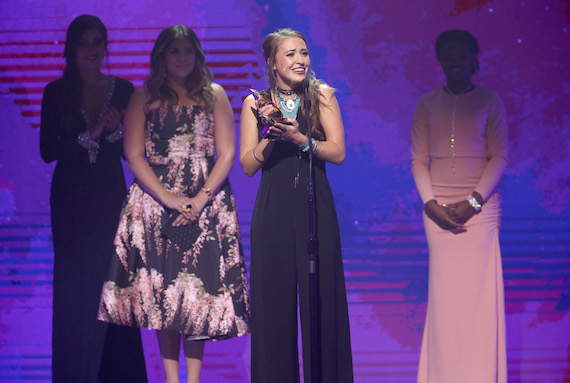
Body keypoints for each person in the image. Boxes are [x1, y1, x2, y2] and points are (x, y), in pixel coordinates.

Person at [97, 25, 250, 383]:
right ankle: (171, 379)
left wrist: (198, 200)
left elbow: (226, 153)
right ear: (162, 57)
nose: (182, 58)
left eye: (188, 51)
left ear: (197, 55)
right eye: (174, 51)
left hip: (207, 201)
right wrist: (169, 199)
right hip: (154, 204)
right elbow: (133, 154)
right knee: (163, 293)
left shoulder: (215, 95)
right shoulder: (144, 96)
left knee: (197, 295)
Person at [240, 28, 354, 383]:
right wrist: (271, 138)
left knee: (321, 303)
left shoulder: (321, 96)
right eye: (290, 54)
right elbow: (247, 164)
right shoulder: (255, 102)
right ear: (273, 63)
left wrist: (302, 140)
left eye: (303, 53)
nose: (299, 60)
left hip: (314, 206)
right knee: (273, 308)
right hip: (272, 211)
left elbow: (338, 152)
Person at [39, 14, 147, 382]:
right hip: (70, 202)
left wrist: (116, 133)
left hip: (108, 198)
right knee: (75, 289)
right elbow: (47, 152)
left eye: (97, 42)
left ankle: (118, 374)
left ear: (105, 47)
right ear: (71, 48)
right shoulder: (56, 92)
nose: (91, 50)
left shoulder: (123, 90)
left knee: (114, 283)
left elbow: (133, 150)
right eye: (84, 43)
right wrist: (96, 130)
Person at [411, 30, 509, 383]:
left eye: (461, 56)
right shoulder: (426, 104)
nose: (455, 63)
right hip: (437, 213)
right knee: (446, 304)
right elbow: (418, 160)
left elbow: (499, 156)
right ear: (440, 61)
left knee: (478, 303)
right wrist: (430, 204)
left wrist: (474, 201)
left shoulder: (490, 101)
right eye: (448, 57)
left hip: (479, 214)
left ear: (474, 59)